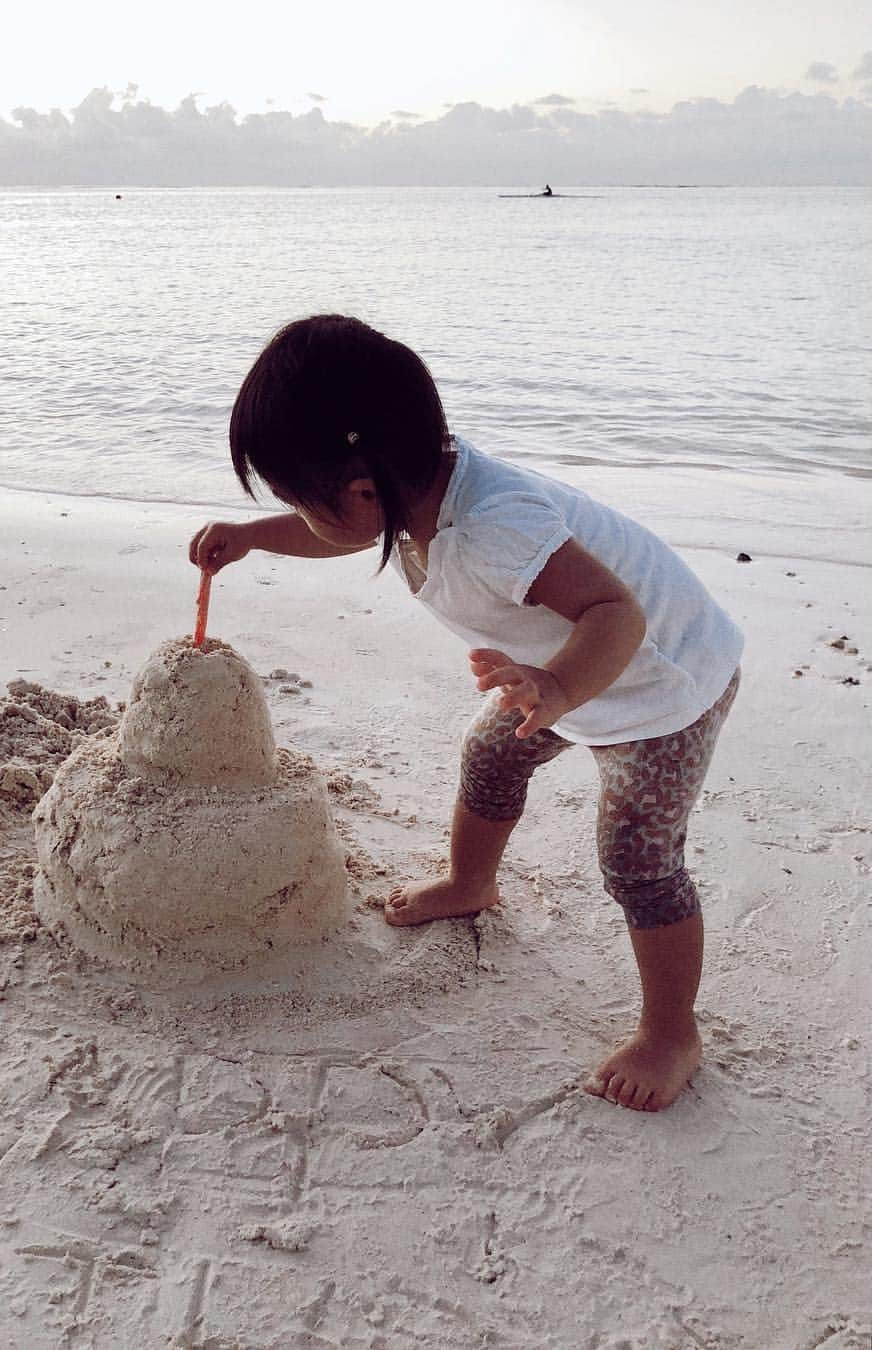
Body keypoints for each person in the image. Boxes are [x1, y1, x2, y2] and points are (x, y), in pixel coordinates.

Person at [190, 315, 743, 1113]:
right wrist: (254, 536)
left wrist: (553, 689)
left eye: (289, 499)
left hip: (662, 685)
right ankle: (470, 881)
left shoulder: (490, 526)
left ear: (361, 489)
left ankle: (670, 1034)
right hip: (553, 676)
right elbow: (342, 535)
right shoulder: (411, 489)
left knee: (636, 858)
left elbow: (616, 615)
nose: (292, 512)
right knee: (489, 755)